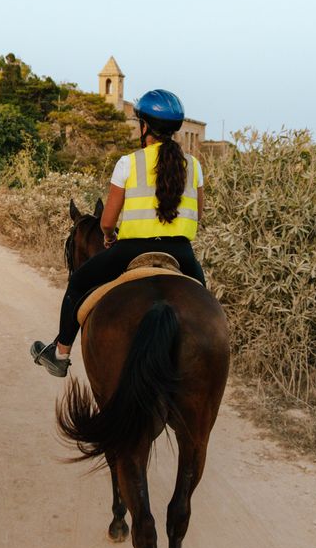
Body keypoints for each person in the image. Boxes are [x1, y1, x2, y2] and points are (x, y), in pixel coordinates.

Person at [30, 89, 206, 377]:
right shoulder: (195, 166)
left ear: (144, 126)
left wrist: (109, 236)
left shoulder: (129, 163)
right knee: (205, 305)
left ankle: (60, 353)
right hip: (181, 254)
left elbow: (107, 221)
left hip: (133, 249)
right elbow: (198, 214)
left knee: (78, 283)